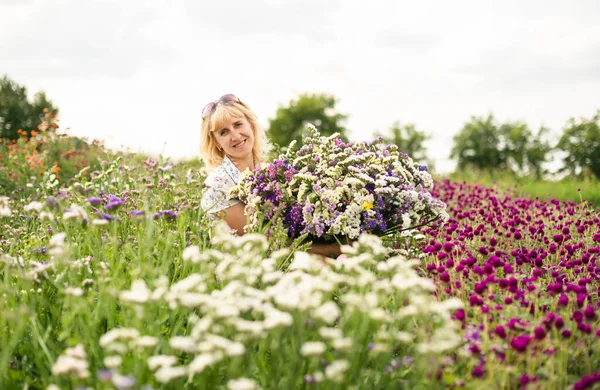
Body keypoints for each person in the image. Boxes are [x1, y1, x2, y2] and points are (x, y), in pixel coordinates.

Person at [199, 94, 341, 258]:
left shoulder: (270, 171)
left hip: (290, 254)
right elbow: (263, 240)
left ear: (251, 126)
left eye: (238, 125)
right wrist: (329, 250)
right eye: (224, 132)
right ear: (217, 142)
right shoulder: (217, 186)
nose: (236, 136)